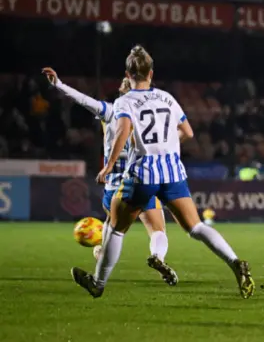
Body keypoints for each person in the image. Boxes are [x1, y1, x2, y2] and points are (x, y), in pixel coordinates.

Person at [70, 45, 255, 299]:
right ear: (151, 73)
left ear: (127, 73)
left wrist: (111, 164)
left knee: (115, 227)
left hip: (143, 173)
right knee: (196, 227)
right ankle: (235, 262)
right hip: (172, 171)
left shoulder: (125, 101)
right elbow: (188, 132)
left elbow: (123, 130)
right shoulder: (167, 97)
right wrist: (166, 144)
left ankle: (98, 283)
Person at [43, 67, 178, 286]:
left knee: (114, 231)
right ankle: (158, 257)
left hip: (114, 187)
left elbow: (82, 99)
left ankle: (100, 259)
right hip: (141, 180)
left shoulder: (110, 111)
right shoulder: (146, 115)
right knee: (157, 230)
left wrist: (58, 84)